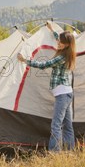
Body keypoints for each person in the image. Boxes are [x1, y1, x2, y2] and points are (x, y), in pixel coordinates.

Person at [17, 21, 76, 152]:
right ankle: (70, 151)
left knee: (56, 125)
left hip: (62, 95)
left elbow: (44, 65)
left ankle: (55, 153)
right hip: (67, 93)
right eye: (59, 40)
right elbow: (59, 39)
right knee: (67, 125)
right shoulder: (68, 51)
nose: (58, 43)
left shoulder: (61, 57)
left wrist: (24, 60)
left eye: (61, 42)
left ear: (67, 45)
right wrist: (52, 30)